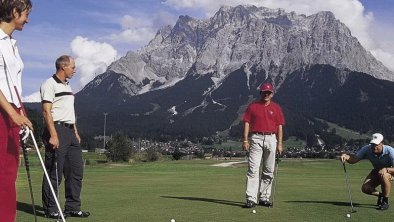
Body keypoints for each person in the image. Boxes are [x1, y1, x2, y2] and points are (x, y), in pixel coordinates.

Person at [40, 55, 90, 218]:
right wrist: (53, 135)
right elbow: (47, 111)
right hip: (56, 130)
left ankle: (72, 207)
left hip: (69, 132)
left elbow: (69, 111)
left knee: (75, 171)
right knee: (54, 171)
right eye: (73, 67)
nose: (75, 70)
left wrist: (74, 131)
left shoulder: (67, 86)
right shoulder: (49, 84)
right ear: (63, 67)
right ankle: (51, 209)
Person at [0, 0, 33, 221]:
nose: (27, 19)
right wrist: (12, 114)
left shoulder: (12, 43)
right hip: (3, 113)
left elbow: (14, 84)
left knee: (10, 172)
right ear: (14, 12)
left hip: (13, 111)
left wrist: (22, 113)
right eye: (25, 14)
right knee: (3, 175)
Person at [241, 82, 285, 208]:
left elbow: (279, 126)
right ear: (260, 93)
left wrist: (280, 144)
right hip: (256, 138)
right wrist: (245, 140)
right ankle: (251, 198)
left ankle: (264, 197)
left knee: (268, 171)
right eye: (264, 92)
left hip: (272, 138)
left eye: (269, 92)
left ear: (272, 94)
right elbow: (247, 123)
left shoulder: (276, 108)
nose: (266, 94)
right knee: (253, 169)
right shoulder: (252, 106)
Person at [340, 133, 394, 210]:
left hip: (391, 171)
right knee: (365, 188)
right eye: (372, 144)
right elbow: (354, 159)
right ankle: (381, 196)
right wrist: (346, 156)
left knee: (384, 175)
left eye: (376, 144)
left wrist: (386, 169)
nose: (374, 147)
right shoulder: (367, 149)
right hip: (377, 171)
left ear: (382, 143)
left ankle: (385, 202)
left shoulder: (390, 151)